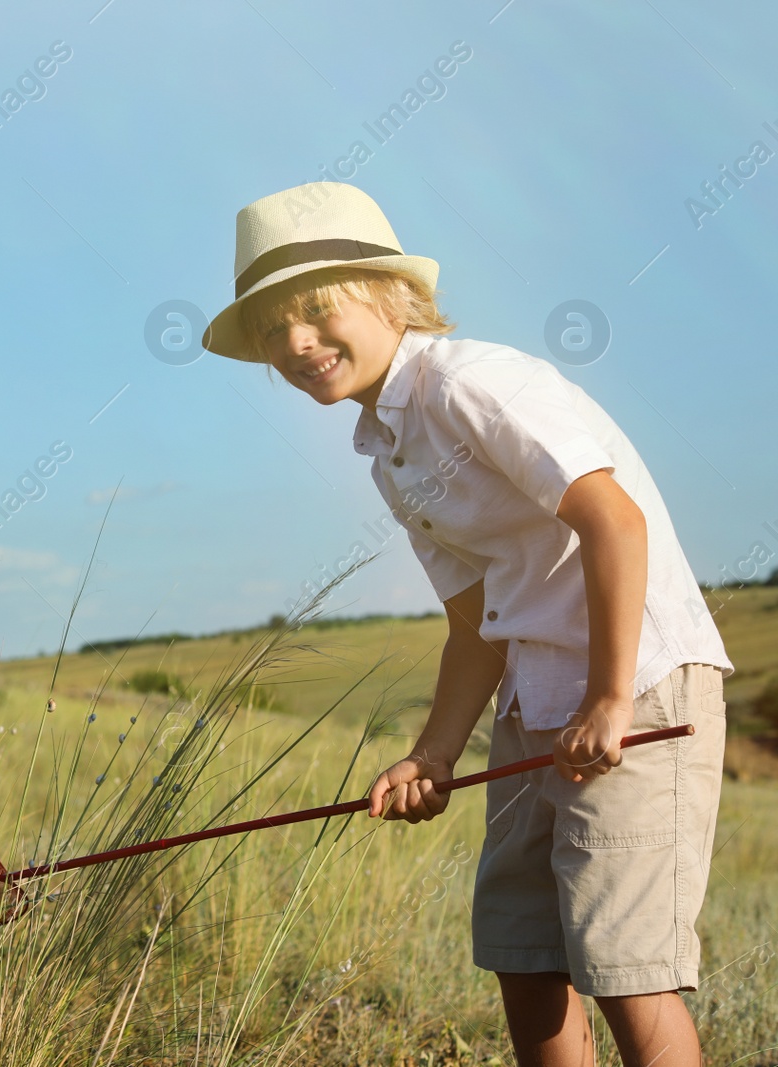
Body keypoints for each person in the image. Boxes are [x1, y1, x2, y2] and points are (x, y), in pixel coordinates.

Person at [201, 182, 731, 1067]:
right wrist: (434, 754)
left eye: (317, 308)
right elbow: (473, 623)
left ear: (392, 296)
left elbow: (615, 520)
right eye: (271, 329)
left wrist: (608, 698)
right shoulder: (387, 450)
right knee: (523, 951)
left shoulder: (472, 383)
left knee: (625, 963)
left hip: (638, 686)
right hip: (539, 698)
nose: (295, 341)